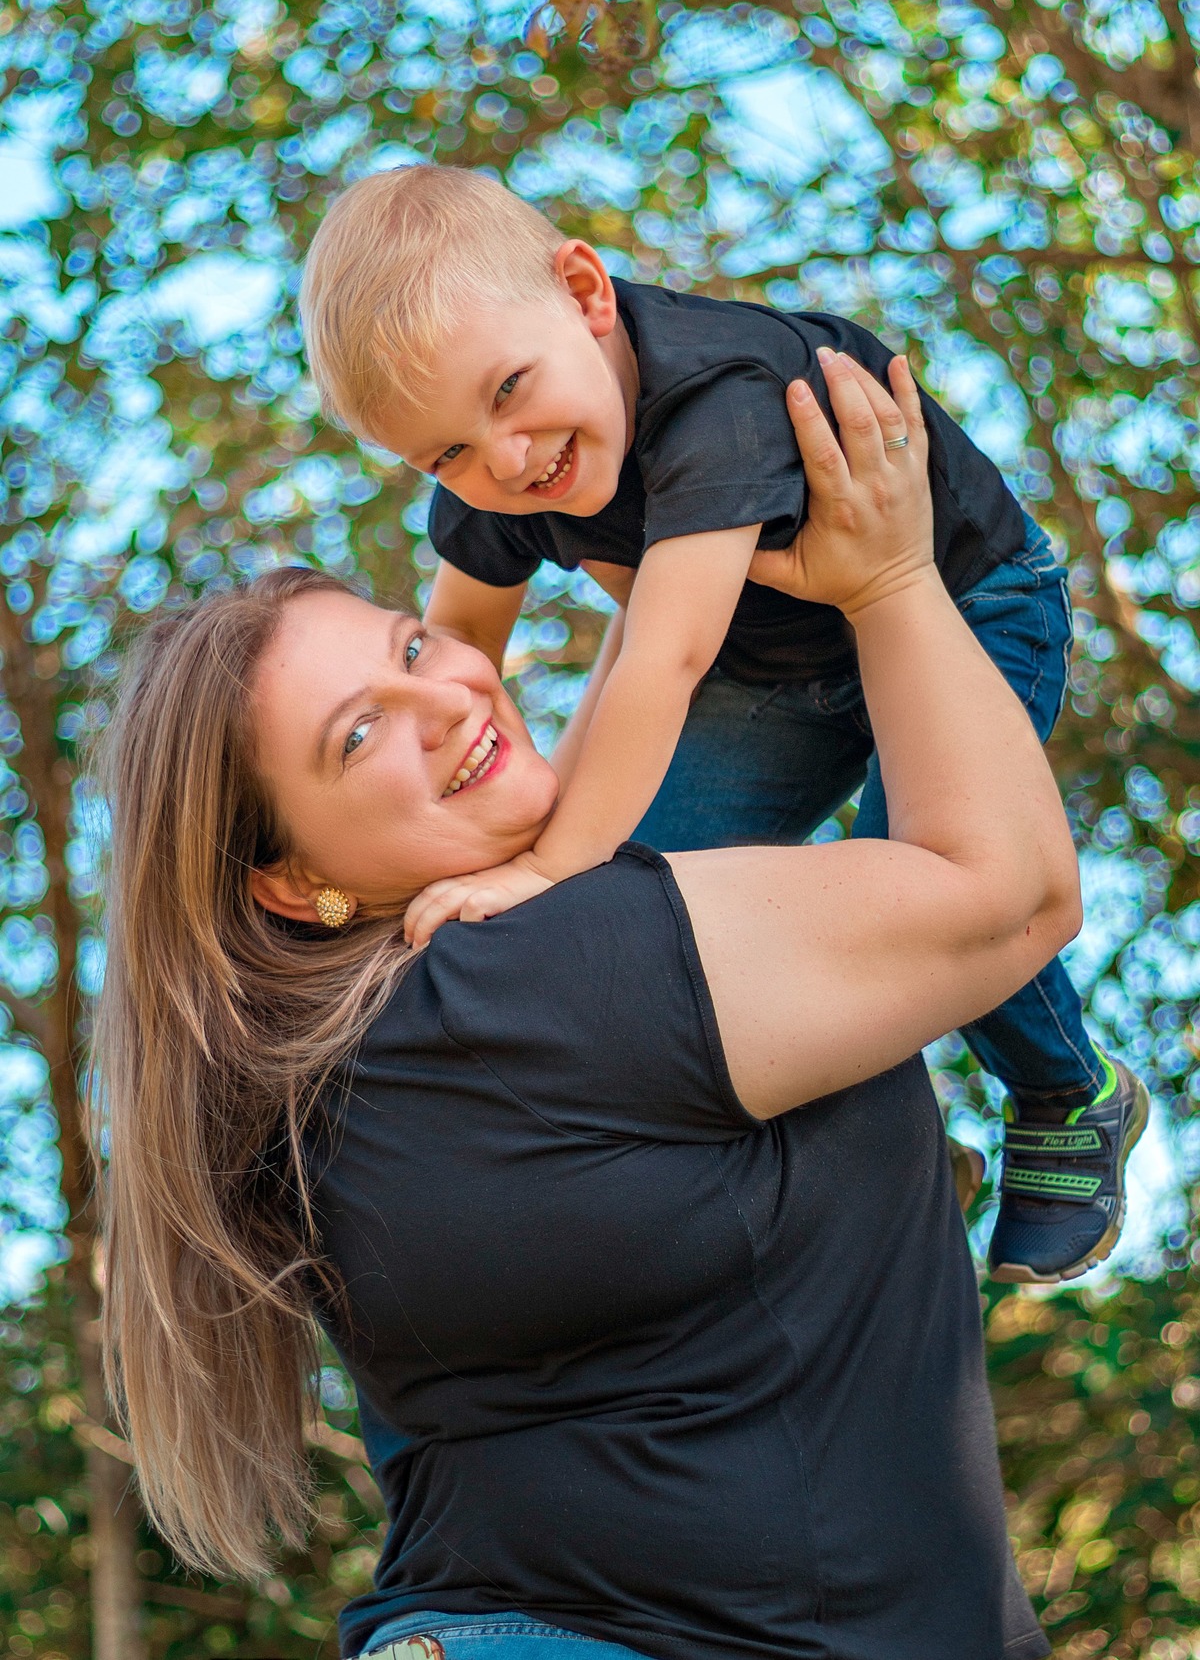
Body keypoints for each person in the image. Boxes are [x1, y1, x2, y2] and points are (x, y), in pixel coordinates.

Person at [96, 360, 1082, 1660]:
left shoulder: (352, 1074)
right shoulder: (515, 984)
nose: (449, 695)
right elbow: (1008, 899)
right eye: (356, 735)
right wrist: (891, 579)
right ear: (293, 880)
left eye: (412, 645)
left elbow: (622, 779)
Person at [299, 163, 1145, 1285]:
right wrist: (455, 839)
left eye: (509, 391)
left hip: (962, 600)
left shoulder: (720, 396)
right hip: (778, 667)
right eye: (445, 454)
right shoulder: (498, 477)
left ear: (586, 292)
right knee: (638, 888)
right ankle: (880, 1139)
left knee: (921, 868)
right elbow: (464, 656)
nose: (504, 461)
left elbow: (668, 654)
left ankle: (1066, 1091)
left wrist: (545, 863)